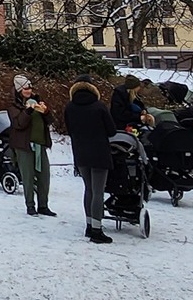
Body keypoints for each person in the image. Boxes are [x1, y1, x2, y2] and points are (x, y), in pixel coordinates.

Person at [64, 80, 116, 244]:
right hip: (99, 152)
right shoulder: (99, 106)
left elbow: (69, 130)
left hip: (80, 153)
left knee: (88, 189)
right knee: (98, 191)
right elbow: (112, 131)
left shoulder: (69, 107)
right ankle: (97, 230)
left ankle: (88, 225)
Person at [7, 74, 57, 217]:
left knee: (44, 176)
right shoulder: (14, 106)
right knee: (28, 177)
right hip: (24, 146)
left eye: (30, 88)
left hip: (40, 144)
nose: (29, 91)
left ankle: (43, 205)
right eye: (25, 89)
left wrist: (46, 112)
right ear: (19, 90)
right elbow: (19, 124)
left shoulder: (38, 101)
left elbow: (50, 121)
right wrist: (28, 110)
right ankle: (30, 205)